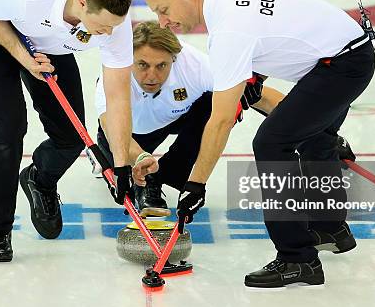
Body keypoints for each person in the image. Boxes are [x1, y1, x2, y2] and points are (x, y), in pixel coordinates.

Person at [138, 0, 375, 288]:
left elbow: (220, 120)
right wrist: (252, 79)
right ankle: (330, 227)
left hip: (340, 65)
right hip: (345, 53)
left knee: (271, 142)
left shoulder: (227, 31)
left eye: (163, 9)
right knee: (314, 137)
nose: (162, 22)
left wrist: (196, 185)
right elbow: (271, 31)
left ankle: (298, 258)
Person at [0, 0, 135, 262]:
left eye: (113, 27)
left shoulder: (115, 22)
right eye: (102, 26)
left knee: (70, 137)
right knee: (10, 128)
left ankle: (39, 179)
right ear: (82, 2)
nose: (108, 33)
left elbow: (118, 94)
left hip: (49, 45)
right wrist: (22, 56)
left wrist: (121, 167)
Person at [93, 20, 285, 218]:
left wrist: (305, 120)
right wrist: (142, 158)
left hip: (175, 117)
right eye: (142, 65)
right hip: (128, 130)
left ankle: (166, 172)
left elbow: (263, 97)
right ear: (129, 58)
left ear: (174, 59)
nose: (151, 76)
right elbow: (111, 127)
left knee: (221, 102)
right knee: (124, 161)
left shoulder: (193, 65)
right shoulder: (115, 72)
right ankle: (145, 177)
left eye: (161, 65)